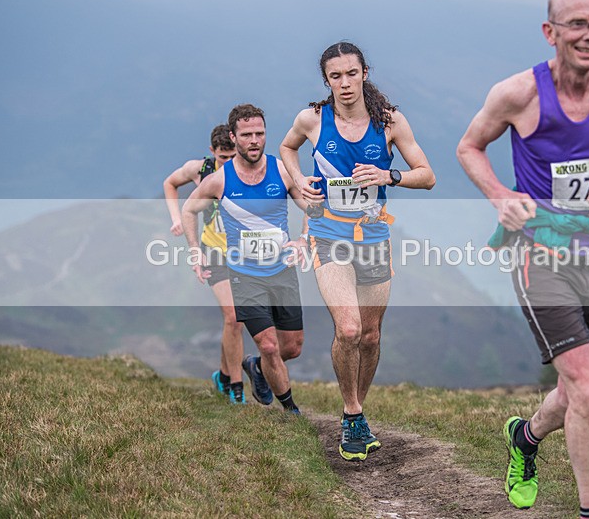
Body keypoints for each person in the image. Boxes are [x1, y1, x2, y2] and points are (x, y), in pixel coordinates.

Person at [456, 0, 589, 516]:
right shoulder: (518, 94)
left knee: (578, 391)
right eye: (576, 24)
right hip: (539, 252)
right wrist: (501, 197)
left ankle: (524, 439)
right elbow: (469, 146)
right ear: (551, 33)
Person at [280, 41, 435, 461]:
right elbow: (286, 148)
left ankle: (357, 411)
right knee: (347, 329)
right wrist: (299, 182)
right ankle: (351, 413)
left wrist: (389, 173)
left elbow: (428, 175)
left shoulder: (389, 122)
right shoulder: (312, 119)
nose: (345, 84)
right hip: (327, 235)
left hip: (373, 240)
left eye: (352, 73)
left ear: (365, 73)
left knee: (370, 336)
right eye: (336, 76)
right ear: (326, 81)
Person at [182, 104, 309, 412]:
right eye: (247, 134)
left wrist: (304, 239)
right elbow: (189, 209)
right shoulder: (219, 180)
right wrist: (194, 249)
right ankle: (291, 412)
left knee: (290, 348)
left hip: (281, 271)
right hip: (243, 274)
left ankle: (256, 366)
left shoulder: (281, 170)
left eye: (260, 134)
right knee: (268, 344)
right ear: (233, 136)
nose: (254, 140)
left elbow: (312, 208)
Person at [162, 125, 244, 402]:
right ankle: (236, 387)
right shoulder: (199, 170)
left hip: (245, 253)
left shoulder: (246, 168)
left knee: (235, 322)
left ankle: (222, 374)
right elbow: (170, 183)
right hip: (214, 252)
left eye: (233, 156)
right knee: (233, 317)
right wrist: (176, 218)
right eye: (223, 158)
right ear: (212, 153)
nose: (228, 163)